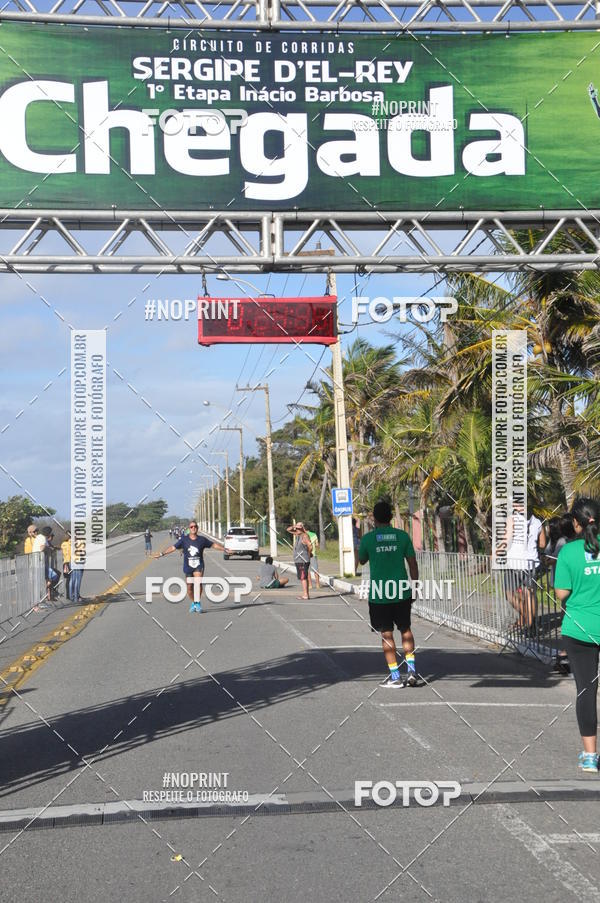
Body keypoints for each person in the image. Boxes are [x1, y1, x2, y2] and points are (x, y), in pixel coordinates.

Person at [554, 497, 600, 773]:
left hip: (580, 631)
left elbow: (562, 593)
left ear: (575, 522)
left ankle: (591, 756)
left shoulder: (568, 552)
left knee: (587, 690)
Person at [358, 500, 419, 688]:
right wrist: (415, 586)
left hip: (380, 594)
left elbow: (361, 560)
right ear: (391, 517)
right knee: (406, 630)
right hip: (402, 591)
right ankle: (411, 672)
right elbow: (412, 563)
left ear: (374, 518)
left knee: (386, 635)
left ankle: (395, 676)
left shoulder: (368, 539)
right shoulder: (402, 536)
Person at [156, 521, 224, 613]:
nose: (193, 528)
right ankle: (193, 602)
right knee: (189, 587)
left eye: (195, 526)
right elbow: (173, 547)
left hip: (199, 565)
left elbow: (213, 545)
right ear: (189, 528)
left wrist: (224, 549)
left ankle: (198, 602)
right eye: (191, 527)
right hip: (188, 566)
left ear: (197, 528)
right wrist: (162, 554)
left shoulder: (202, 540)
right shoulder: (184, 540)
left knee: (198, 583)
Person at [287, 522, 313, 600]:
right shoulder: (298, 535)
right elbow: (288, 529)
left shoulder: (304, 536)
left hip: (302, 560)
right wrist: (295, 526)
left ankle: (305, 595)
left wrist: (309, 553)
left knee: (303, 578)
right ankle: (306, 594)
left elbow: (310, 545)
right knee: (303, 577)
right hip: (299, 560)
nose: (296, 530)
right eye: (296, 529)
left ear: (302, 528)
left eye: (298, 528)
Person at [70, 538, 85, 604]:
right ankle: (76, 597)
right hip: (78, 561)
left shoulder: (70, 541)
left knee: (72, 579)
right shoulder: (81, 541)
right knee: (78, 580)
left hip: (72, 561)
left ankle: (72, 596)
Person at [61, 532, 72, 601]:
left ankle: (68, 594)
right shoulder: (69, 543)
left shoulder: (63, 544)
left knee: (68, 579)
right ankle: (70, 594)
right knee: (71, 579)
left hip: (65, 562)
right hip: (69, 562)